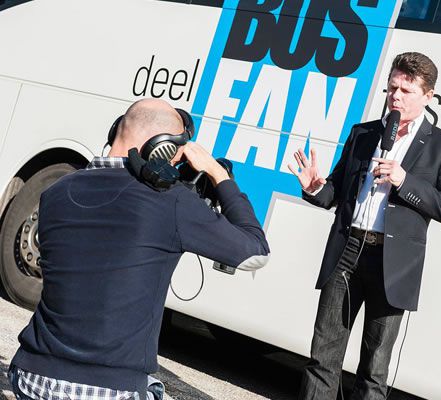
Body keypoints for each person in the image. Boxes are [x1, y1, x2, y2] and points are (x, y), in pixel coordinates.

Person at [8, 98, 270, 400]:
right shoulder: (171, 203)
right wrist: (218, 175)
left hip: (31, 376)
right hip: (105, 389)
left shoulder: (56, 192)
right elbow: (255, 252)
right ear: (160, 149)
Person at [290, 52, 441, 399]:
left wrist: (405, 181)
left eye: (406, 90)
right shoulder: (364, 133)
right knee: (322, 358)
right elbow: (335, 195)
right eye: (391, 88)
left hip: (392, 262)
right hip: (347, 252)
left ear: (428, 96)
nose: (396, 97)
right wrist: (315, 187)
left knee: (374, 369)